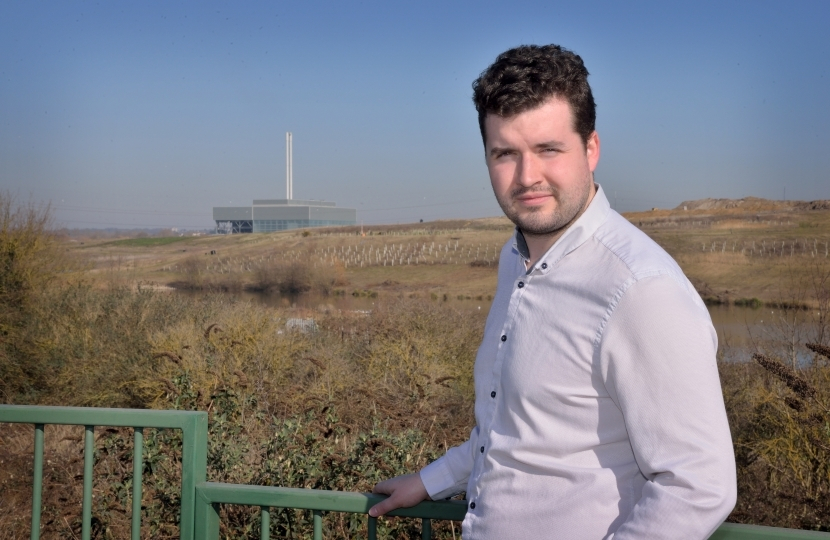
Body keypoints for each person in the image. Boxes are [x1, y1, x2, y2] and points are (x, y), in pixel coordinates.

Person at [369, 44, 736, 539]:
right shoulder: (514, 261)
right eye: (505, 154)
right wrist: (431, 480)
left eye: (548, 149)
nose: (527, 177)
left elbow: (699, 485)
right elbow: (514, 426)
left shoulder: (640, 289)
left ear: (591, 149)